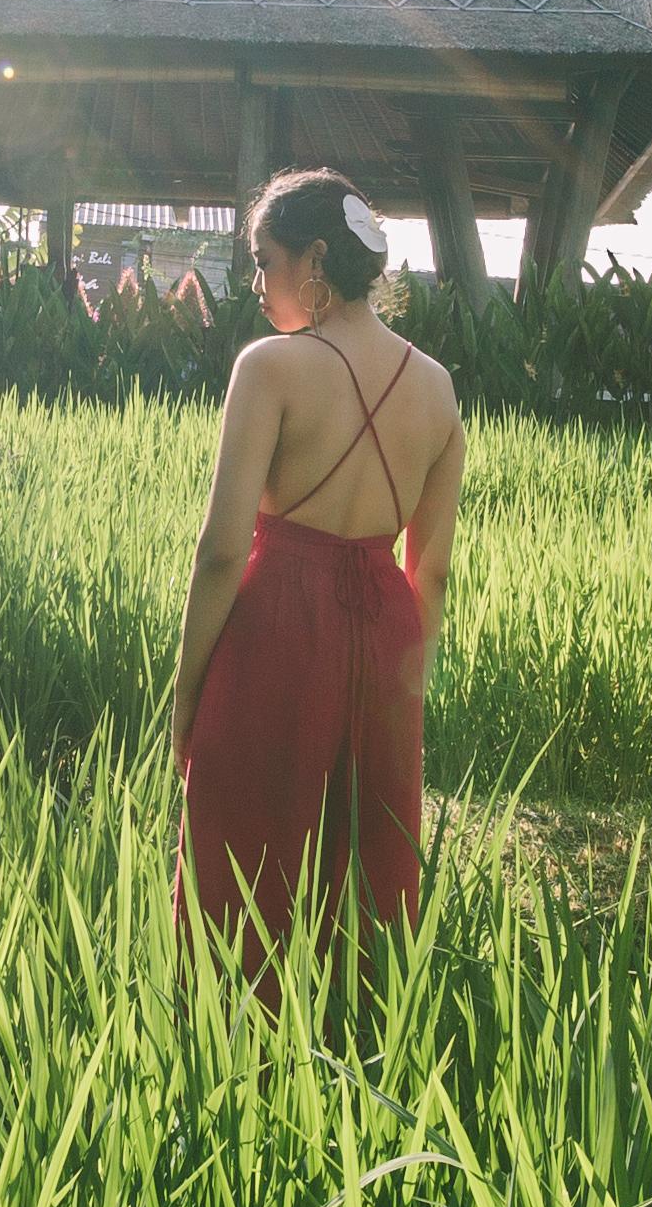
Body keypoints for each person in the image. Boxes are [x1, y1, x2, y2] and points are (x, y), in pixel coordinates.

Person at [168, 168, 466, 969]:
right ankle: (361, 1054)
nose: (258, 284)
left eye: (265, 261)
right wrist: (407, 696)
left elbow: (223, 549)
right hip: (386, 631)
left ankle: (233, 1058)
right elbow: (429, 573)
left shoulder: (269, 368)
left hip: (280, 629)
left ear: (317, 260)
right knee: (365, 871)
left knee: (244, 863)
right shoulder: (438, 392)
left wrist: (186, 693)